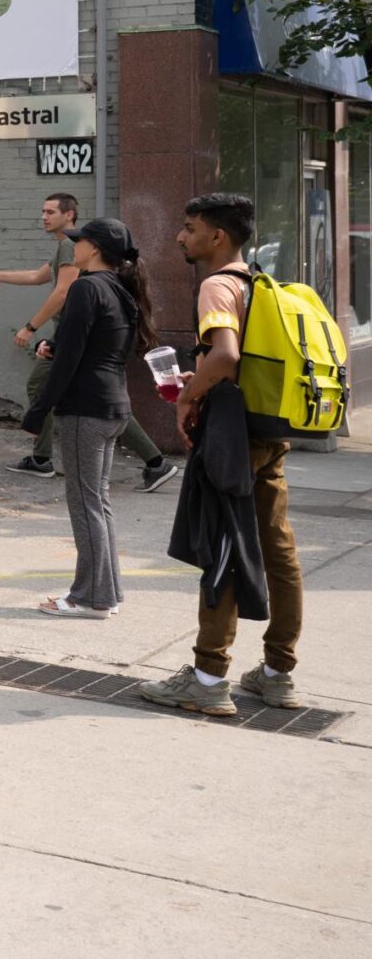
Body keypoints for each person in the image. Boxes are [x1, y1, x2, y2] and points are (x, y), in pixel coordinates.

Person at [139, 193, 306, 717]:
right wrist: (203, 377)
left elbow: (227, 356)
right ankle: (278, 674)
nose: (180, 237)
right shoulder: (259, 283)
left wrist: (188, 397)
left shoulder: (216, 285)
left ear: (217, 237)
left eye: (189, 228)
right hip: (267, 427)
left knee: (222, 546)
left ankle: (209, 679)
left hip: (231, 436)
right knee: (278, 551)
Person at [0, 192, 176, 489]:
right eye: (43, 211)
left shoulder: (71, 250)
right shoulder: (73, 253)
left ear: (69, 216)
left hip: (76, 338)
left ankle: (44, 458)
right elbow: (39, 276)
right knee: (101, 404)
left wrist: (30, 327)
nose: (44, 216)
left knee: (52, 389)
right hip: (76, 342)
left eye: (51, 211)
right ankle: (153, 462)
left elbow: (64, 290)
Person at [20, 217, 156, 621]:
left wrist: (40, 408)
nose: (73, 245)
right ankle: (104, 592)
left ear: (93, 249)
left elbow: (72, 357)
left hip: (86, 409)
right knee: (98, 503)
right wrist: (52, 344)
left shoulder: (86, 287)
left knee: (85, 505)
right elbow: (85, 344)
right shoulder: (121, 289)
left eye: (79, 242)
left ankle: (88, 598)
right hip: (113, 406)